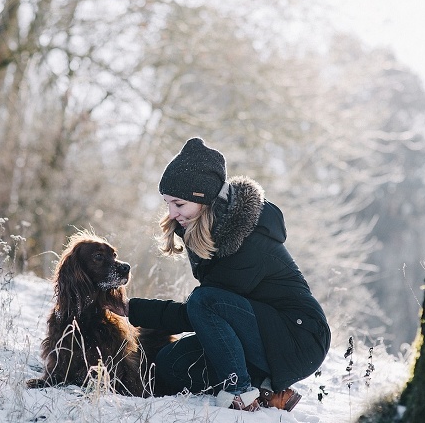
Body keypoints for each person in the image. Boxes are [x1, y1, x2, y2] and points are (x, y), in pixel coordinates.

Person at [113, 137, 331, 412]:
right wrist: (131, 309)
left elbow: (203, 308)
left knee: (203, 299)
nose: (171, 213)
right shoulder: (207, 228)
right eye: (168, 204)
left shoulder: (247, 240)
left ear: (202, 199)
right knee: (171, 363)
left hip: (298, 338)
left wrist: (132, 308)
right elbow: (211, 315)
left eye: (178, 204)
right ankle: (268, 390)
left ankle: (240, 391)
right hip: (260, 332)